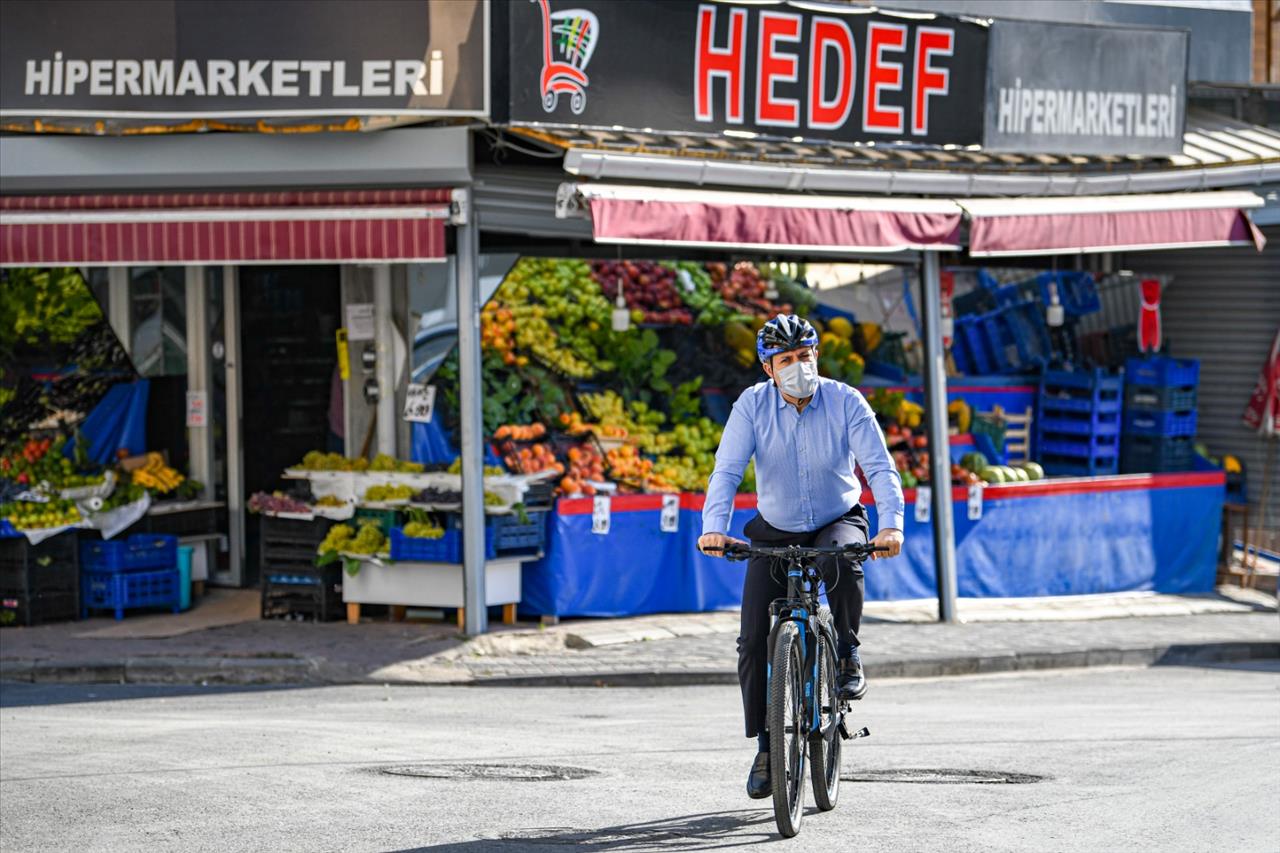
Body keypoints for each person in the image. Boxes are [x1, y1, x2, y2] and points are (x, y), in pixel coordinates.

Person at [696, 313, 905, 800]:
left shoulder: (846, 400)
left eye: (805, 356)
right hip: (774, 526)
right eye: (786, 359)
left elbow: (878, 466)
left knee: (841, 558)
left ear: (817, 356)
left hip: (837, 517)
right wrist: (713, 529)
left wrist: (892, 524)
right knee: (751, 641)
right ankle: (767, 745)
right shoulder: (751, 405)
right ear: (769, 367)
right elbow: (726, 471)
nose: (798, 366)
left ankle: (848, 653)